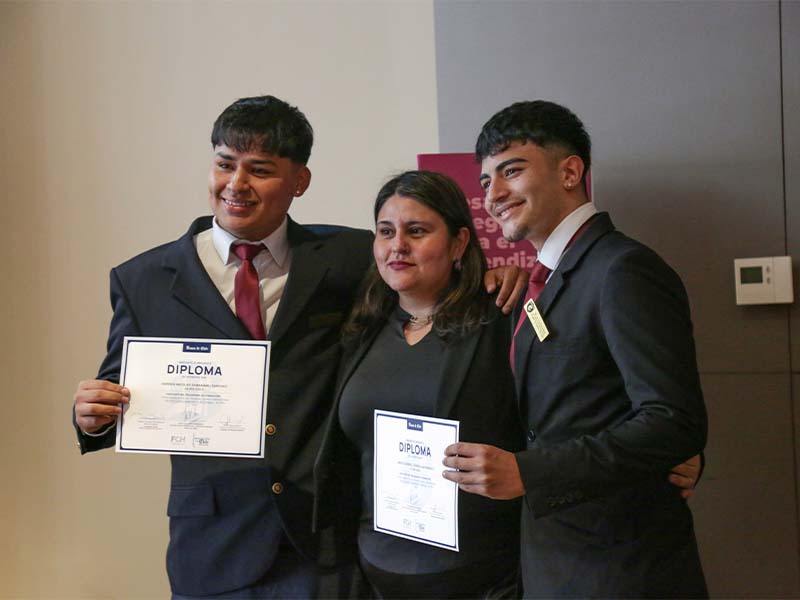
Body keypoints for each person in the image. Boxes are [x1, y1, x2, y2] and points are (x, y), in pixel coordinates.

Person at [72, 96, 526, 599]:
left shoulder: (352, 257)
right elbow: (116, 391)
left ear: (299, 182)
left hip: (325, 543)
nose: (237, 184)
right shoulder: (145, 280)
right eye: (225, 164)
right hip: (214, 546)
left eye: (260, 170)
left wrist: (493, 275)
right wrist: (91, 416)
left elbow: (422, 272)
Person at [443, 100, 708, 598]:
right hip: (555, 556)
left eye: (511, 171)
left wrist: (529, 471)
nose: (494, 195)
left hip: (620, 565)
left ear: (569, 172)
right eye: (485, 182)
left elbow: (674, 421)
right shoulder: (542, 280)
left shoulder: (622, 269)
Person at [315, 170, 524, 599]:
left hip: (482, 577)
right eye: (386, 232)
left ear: (459, 242)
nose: (398, 246)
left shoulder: (500, 319)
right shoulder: (361, 327)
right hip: (374, 574)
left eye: (417, 231)